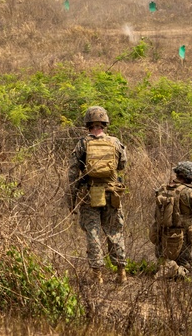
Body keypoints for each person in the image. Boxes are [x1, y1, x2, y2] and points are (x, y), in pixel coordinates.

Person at [66, 105, 127, 284]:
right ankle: (121, 272)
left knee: (93, 233)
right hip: (111, 194)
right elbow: (122, 165)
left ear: (88, 124)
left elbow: (72, 173)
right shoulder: (115, 142)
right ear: (105, 123)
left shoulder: (83, 144)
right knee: (115, 232)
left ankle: (97, 275)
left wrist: (71, 200)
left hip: (90, 195)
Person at [149, 161, 192, 279]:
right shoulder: (188, 192)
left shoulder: (162, 189)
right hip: (182, 234)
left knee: (162, 259)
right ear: (190, 177)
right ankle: (174, 270)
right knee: (187, 268)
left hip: (162, 233)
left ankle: (165, 267)